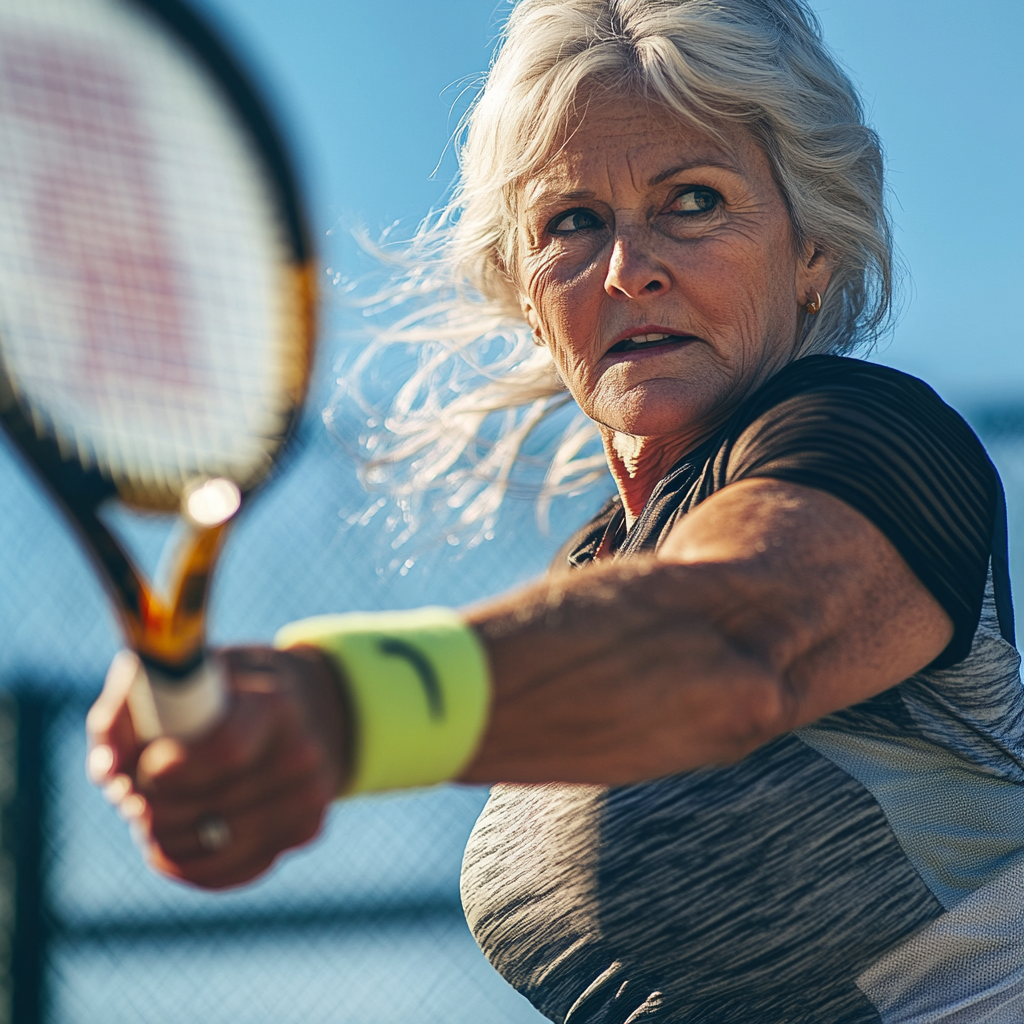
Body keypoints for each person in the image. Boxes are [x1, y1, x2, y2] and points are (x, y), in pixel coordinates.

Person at [86, 1, 1024, 1021]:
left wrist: (342, 703)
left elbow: (724, 644)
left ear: (809, 252)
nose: (629, 269)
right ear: (525, 289)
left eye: (695, 201)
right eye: (571, 222)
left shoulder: (873, 440)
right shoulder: (596, 572)